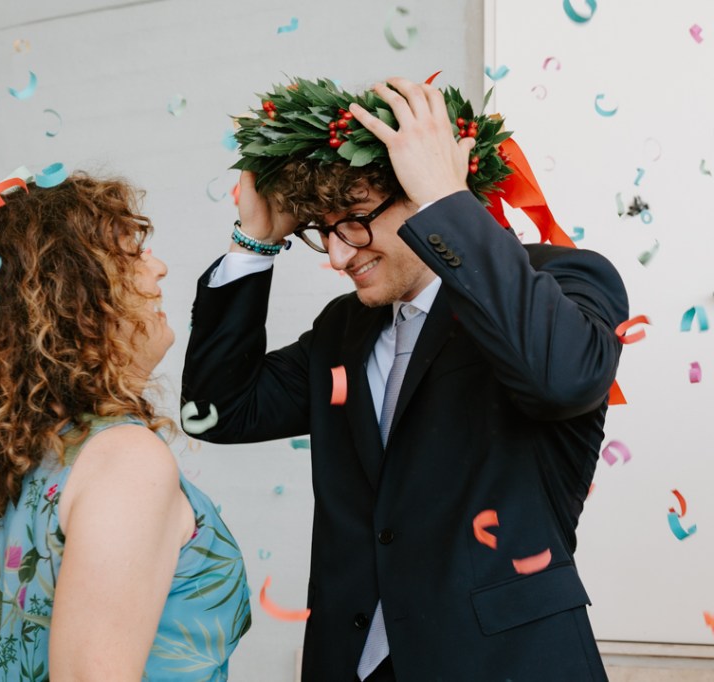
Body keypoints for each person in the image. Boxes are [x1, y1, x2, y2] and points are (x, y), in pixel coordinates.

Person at [182, 77, 628, 681]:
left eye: (355, 221)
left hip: (503, 664)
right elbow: (217, 411)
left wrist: (447, 194)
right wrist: (253, 243)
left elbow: (561, 379)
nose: (337, 257)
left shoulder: (565, 281)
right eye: (324, 230)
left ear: (423, 191)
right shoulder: (343, 328)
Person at [0, 172, 251, 681]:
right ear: (75, 299)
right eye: (132, 255)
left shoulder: (23, 458)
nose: (158, 268)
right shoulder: (125, 460)